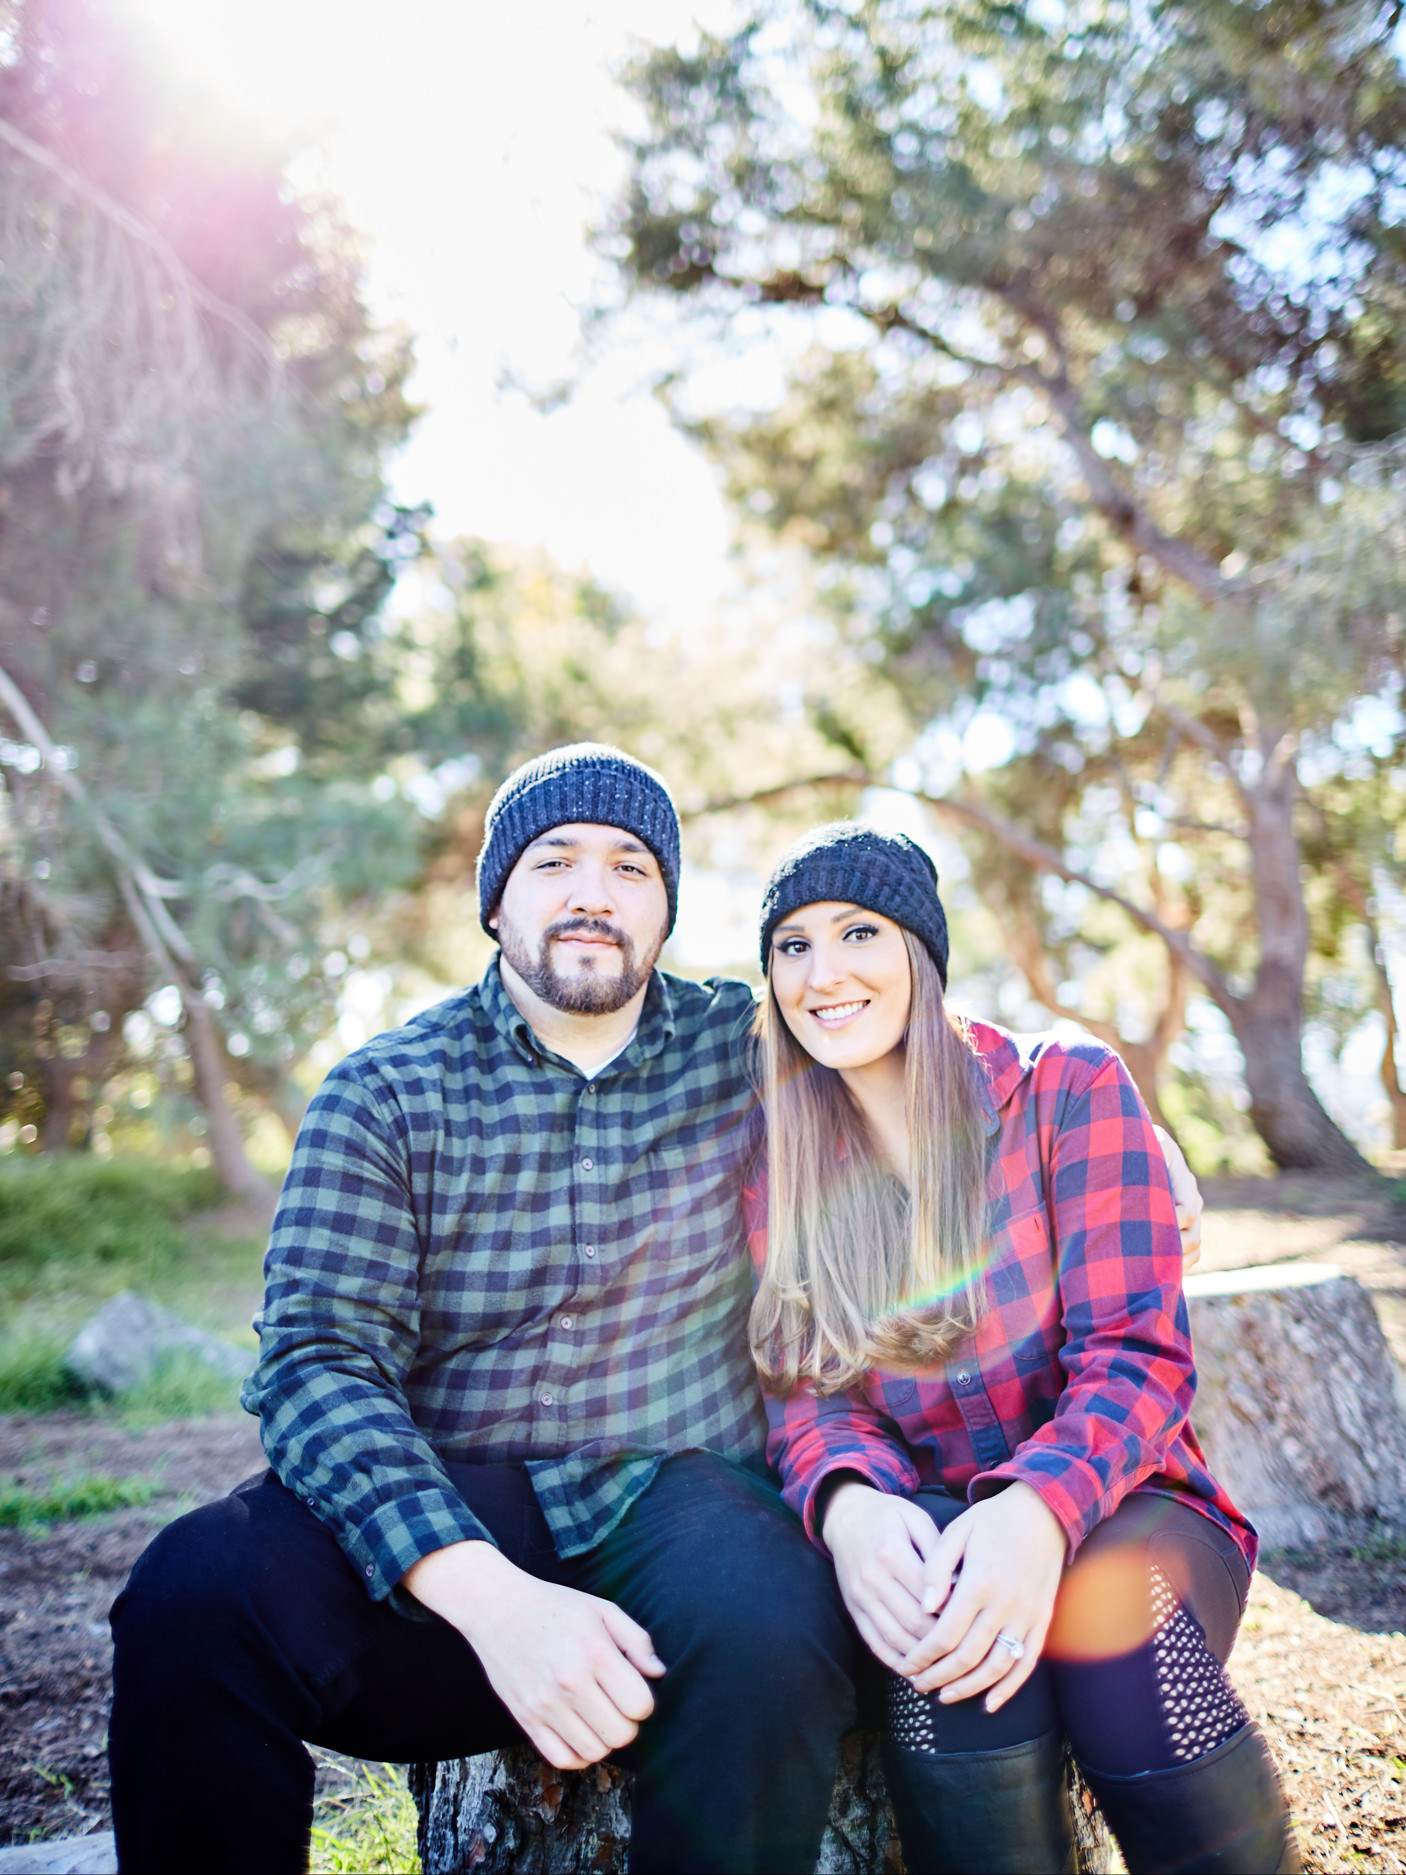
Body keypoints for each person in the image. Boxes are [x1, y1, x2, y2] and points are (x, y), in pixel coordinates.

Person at [107, 744, 1206, 1875]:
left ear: (666, 908)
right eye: (555, 861)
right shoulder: (387, 1091)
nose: (593, 891)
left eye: (631, 866)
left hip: (680, 1495)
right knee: (187, 1604)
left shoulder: (756, 1047)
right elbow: (314, 1365)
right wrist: (493, 1603)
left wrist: (1142, 1140)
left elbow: (915, 1042)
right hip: (452, 1514)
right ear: (496, 900)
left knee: (776, 1641)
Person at [747, 822, 1297, 1875]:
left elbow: (1136, 1356)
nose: (823, 973)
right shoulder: (785, 1164)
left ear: (918, 950)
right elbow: (811, 1396)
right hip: (938, 1535)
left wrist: (1034, 1511)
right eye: (791, 946)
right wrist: (853, 1508)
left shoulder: (1066, 1090)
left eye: (857, 932)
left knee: (1111, 1618)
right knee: (936, 1653)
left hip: (1132, 1514)